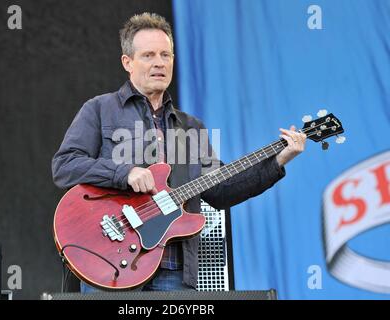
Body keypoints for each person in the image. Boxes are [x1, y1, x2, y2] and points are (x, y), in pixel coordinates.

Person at [52, 12, 306, 293]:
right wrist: (124, 173)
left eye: (166, 55)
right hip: (111, 261)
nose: (159, 62)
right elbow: (65, 165)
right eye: (148, 55)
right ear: (128, 62)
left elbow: (221, 191)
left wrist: (279, 160)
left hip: (173, 271)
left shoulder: (191, 127)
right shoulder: (99, 110)